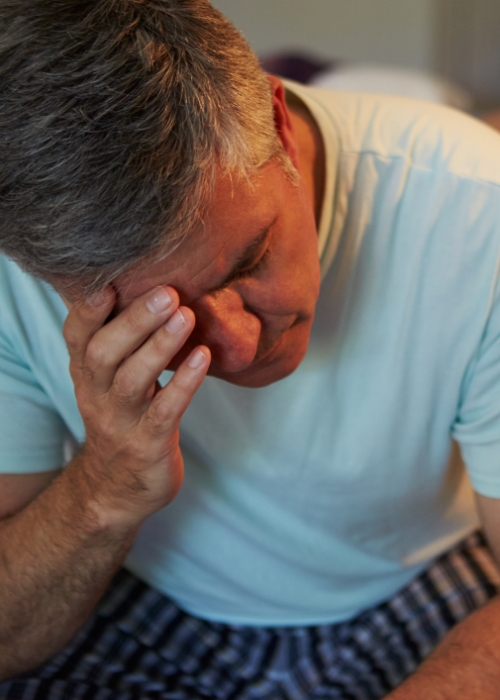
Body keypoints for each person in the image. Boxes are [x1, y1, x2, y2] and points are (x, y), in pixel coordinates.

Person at [1, 1, 500, 698]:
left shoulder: (478, 208)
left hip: (412, 575)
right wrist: (104, 487)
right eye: (157, 317)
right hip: (148, 592)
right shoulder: (11, 275)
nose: (237, 346)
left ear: (280, 129)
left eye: (249, 260)